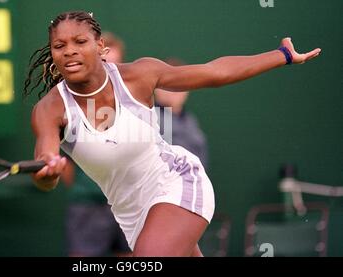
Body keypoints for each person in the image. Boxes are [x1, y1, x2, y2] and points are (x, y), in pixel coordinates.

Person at [23, 11, 320, 256]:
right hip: (132, 215)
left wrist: (282, 55)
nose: (70, 51)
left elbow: (214, 73)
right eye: (59, 46)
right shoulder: (49, 110)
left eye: (80, 41)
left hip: (176, 182)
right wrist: (48, 173)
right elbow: (45, 166)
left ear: (101, 47)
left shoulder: (139, 75)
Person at [62, 31, 131, 257]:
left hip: (129, 204)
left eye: (116, 63)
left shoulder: (135, 102)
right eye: (105, 62)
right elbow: (62, 159)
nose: (110, 68)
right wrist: (91, 184)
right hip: (88, 207)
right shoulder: (69, 103)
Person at [155, 58, 208, 169]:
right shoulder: (149, 118)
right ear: (156, 88)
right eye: (169, 84)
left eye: (181, 83)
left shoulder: (190, 120)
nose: (175, 89)